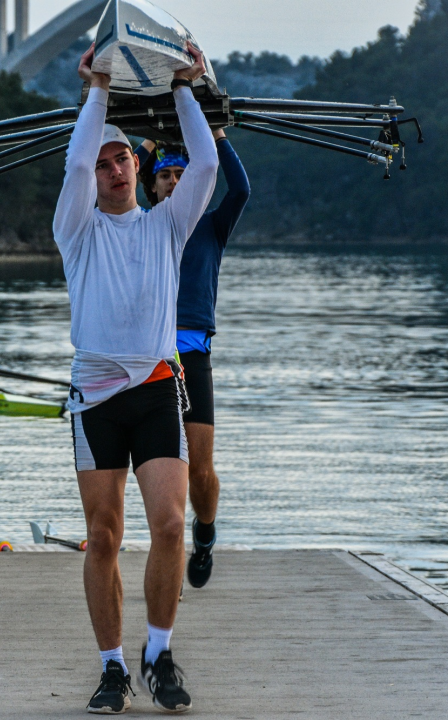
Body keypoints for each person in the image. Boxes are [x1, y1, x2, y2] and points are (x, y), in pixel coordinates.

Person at [54, 43, 218, 714]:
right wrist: (96, 89)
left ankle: (159, 651)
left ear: (137, 165)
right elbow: (70, 161)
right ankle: (112, 666)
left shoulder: (168, 226)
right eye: (102, 162)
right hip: (95, 396)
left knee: (172, 526)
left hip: (155, 388)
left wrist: (185, 87)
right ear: (90, 179)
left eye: (121, 158)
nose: (112, 169)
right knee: (104, 537)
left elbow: (205, 163)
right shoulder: (76, 230)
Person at [134, 132, 250, 589]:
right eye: (165, 175)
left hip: (194, 354)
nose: (175, 181)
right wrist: (143, 142)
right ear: (153, 186)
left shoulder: (212, 224)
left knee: (200, 469)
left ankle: (205, 534)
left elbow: (240, 190)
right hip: (152, 355)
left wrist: (217, 137)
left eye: (183, 174)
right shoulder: (141, 224)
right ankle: (168, 559)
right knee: (164, 468)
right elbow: (102, 194)